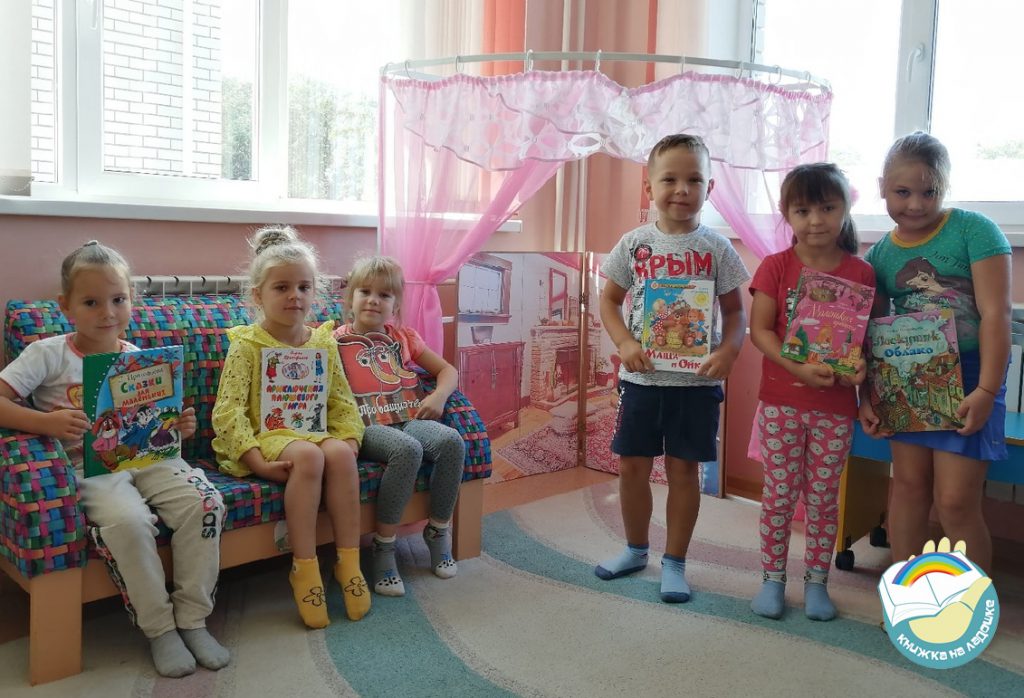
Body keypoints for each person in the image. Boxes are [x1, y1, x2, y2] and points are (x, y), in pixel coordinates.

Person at [0, 241, 228, 677]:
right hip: (90, 468)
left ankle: (193, 618)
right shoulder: (48, 353)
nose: (107, 312)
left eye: (118, 299)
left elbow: (160, 423)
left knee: (206, 503)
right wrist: (45, 423)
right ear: (66, 306)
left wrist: (181, 425)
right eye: (91, 302)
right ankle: (160, 629)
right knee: (128, 522)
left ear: (131, 300)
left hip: (152, 459)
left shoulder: (138, 359)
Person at [596, 133, 749, 603]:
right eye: (669, 179)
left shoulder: (718, 249)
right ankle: (635, 549)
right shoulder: (634, 244)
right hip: (641, 381)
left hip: (695, 385)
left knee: (684, 473)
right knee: (632, 468)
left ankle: (675, 562)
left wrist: (729, 351)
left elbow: (736, 313)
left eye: (694, 180)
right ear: (649, 187)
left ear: (710, 188)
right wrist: (624, 342)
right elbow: (609, 301)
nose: (682, 189)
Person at [860, 132, 1011, 575]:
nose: (915, 204)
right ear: (882, 187)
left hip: (971, 375)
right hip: (906, 379)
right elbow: (872, 334)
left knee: (955, 502)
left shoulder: (974, 230)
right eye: (902, 192)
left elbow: (996, 314)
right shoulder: (880, 255)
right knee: (908, 489)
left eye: (929, 192)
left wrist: (987, 390)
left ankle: (969, 603)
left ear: (944, 188)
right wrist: (867, 397)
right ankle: (906, 597)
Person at [211, 225, 368, 629]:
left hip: (313, 428)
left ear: (315, 292)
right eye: (281, 287)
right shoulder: (248, 344)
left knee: (338, 454)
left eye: (303, 287)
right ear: (258, 295)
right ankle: (305, 566)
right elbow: (228, 411)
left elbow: (340, 399)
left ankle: (348, 561)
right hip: (267, 437)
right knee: (310, 457)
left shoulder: (322, 342)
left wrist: (350, 437)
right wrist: (256, 461)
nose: (294, 296)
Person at [747, 164, 875, 621]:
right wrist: (796, 365)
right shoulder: (775, 265)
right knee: (779, 496)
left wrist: (859, 373)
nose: (816, 220)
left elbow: (863, 343)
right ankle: (772, 579)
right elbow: (760, 330)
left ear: (845, 209)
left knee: (822, 500)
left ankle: (818, 582)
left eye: (827, 208)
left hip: (835, 409)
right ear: (787, 214)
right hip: (781, 403)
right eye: (803, 210)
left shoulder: (861, 272)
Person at [333, 256, 465, 597]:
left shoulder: (404, 337)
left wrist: (438, 396)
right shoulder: (333, 341)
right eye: (365, 292)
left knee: (451, 442)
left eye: (384, 294)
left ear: (396, 304)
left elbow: (448, 370)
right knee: (407, 450)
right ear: (350, 297)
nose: (373, 300)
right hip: (364, 426)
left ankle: (438, 530)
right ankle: (385, 546)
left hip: (407, 416)